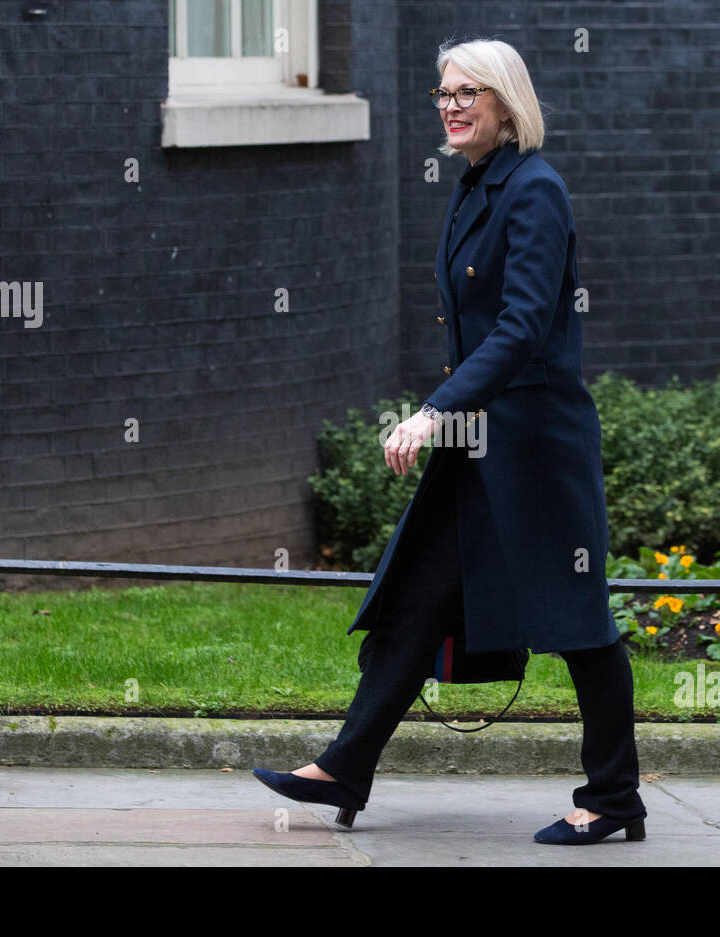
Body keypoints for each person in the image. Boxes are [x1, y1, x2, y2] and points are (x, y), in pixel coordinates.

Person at [253, 37, 647, 846]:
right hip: (477, 446)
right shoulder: (475, 189)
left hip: (536, 448)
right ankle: (345, 765)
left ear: (507, 103)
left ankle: (614, 800)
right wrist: (450, 420)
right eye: (442, 93)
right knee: (415, 601)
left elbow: (523, 328)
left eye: (469, 92)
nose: (451, 105)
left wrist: (433, 410)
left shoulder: (534, 190)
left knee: (578, 625)